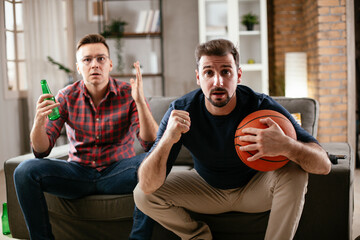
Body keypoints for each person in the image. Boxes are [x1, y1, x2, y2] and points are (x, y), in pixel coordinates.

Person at [134, 39, 332, 240]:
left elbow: (324, 165)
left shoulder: (261, 106)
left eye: (226, 72)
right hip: (205, 188)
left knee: (295, 173)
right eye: (209, 72)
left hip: (255, 188)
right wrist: (167, 139)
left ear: (238, 75)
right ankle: (198, 237)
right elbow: (148, 185)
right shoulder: (181, 110)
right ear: (198, 77)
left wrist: (287, 146)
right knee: (142, 193)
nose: (218, 81)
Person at [14, 33, 157, 240]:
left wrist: (141, 102)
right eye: (87, 60)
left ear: (110, 65)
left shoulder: (129, 93)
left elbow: (150, 142)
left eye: (100, 59)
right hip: (77, 173)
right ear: (79, 67)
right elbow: (41, 150)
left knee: (155, 162)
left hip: (118, 172)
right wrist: (38, 121)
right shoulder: (65, 96)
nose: (94, 65)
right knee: (24, 171)